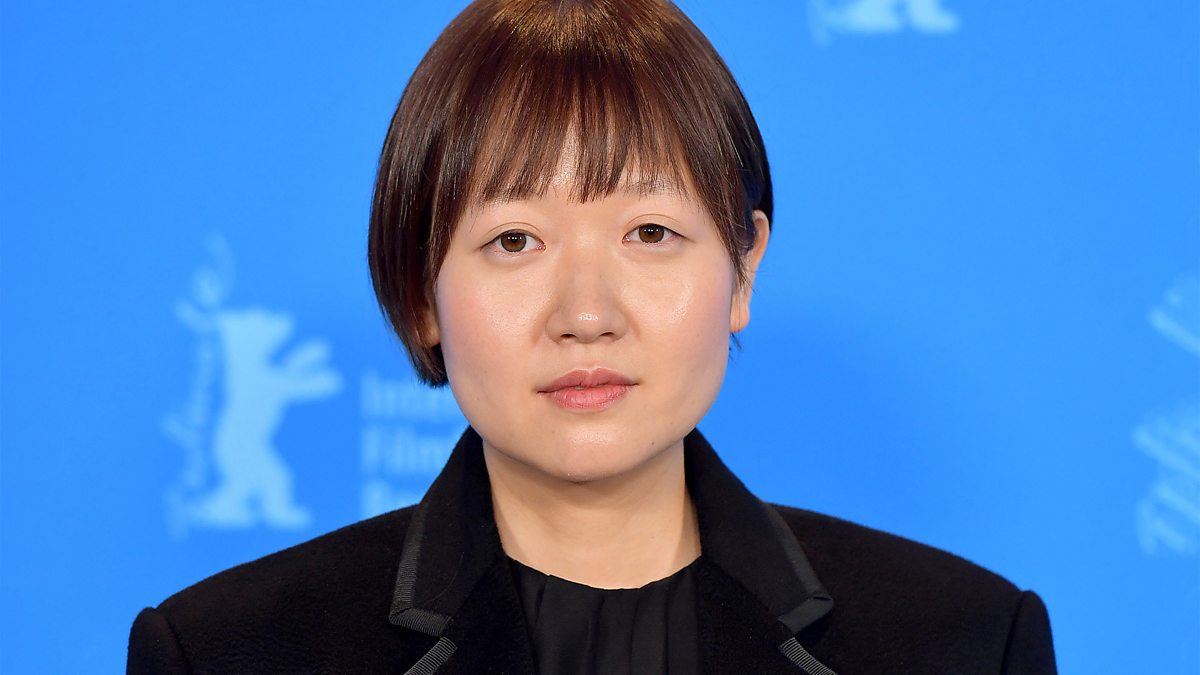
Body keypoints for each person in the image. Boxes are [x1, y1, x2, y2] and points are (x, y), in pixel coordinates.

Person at [127, 0, 1058, 673]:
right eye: (514, 240)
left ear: (744, 269)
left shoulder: (965, 641)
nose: (586, 312)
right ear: (420, 292)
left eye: (649, 232)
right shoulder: (225, 651)